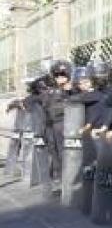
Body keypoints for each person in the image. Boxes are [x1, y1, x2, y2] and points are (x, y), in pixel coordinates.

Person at [44, 58, 74, 188]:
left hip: (65, 125)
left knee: (64, 152)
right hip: (51, 126)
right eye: (57, 76)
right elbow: (45, 108)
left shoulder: (73, 90)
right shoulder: (50, 91)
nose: (60, 78)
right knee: (54, 151)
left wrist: (69, 91)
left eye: (63, 75)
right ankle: (57, 176)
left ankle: (66, 179)